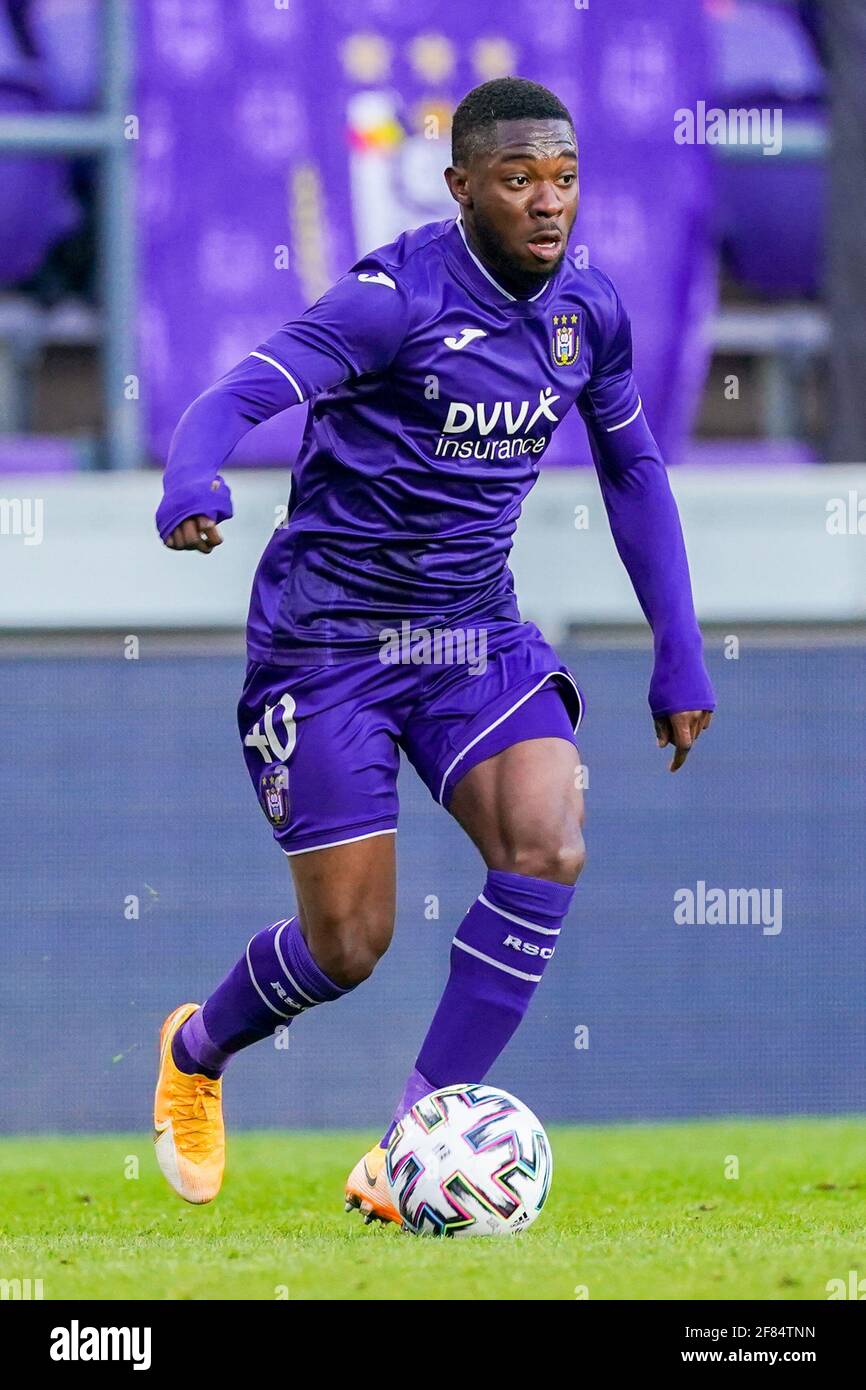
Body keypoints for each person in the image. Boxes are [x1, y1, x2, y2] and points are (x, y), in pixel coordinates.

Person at [153, 77, 714, 1221]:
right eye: (516, 180)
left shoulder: (585, 311)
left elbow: (634, 472)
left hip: (471, 634)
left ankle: (407, 1145)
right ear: (461, 188)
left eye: (561, 178)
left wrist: (679, 650)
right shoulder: (391, 300)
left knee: (548, 839)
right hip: (329, 646)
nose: (546, 202)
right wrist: (190, 478)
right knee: (348, 943)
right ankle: (199, 1046)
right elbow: (236, 391)